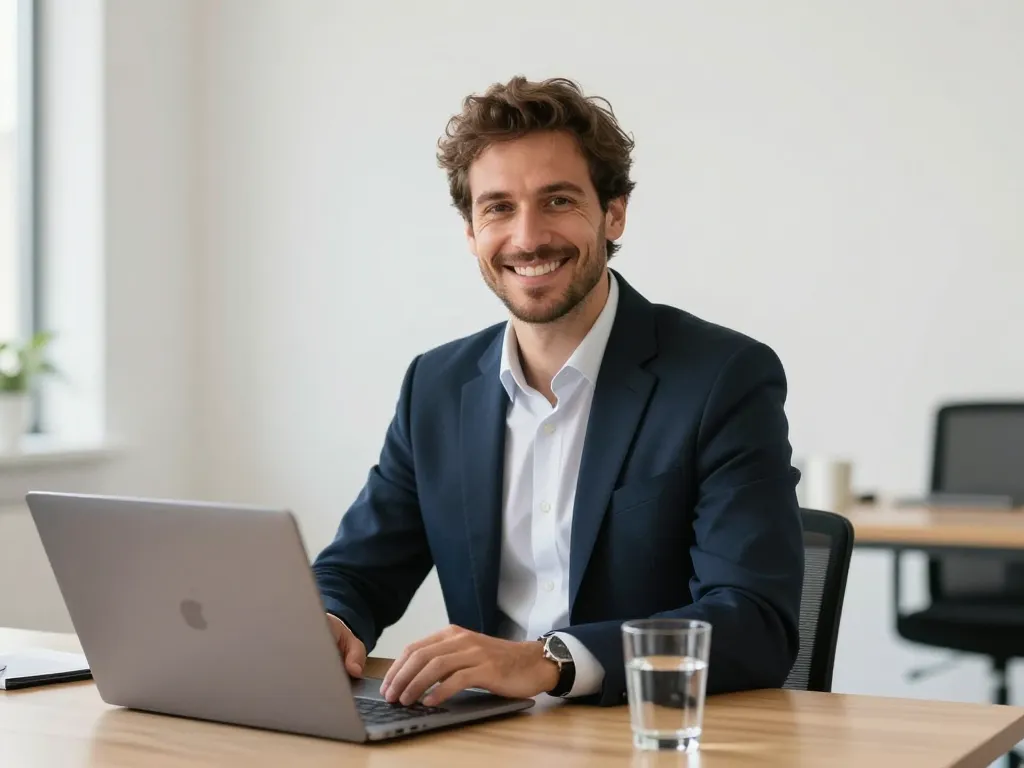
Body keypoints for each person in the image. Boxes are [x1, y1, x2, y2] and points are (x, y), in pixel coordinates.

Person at [312, 76, 804, 708]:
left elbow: (754, 622)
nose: (526, 238)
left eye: (558, 201)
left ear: (614, 212)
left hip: (644, 735)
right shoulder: (435, 386)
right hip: (485, 738)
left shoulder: (721, 377)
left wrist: (549, 661)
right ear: (470, 231)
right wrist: (331, 622)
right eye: (497, 208)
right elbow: (355, 570)